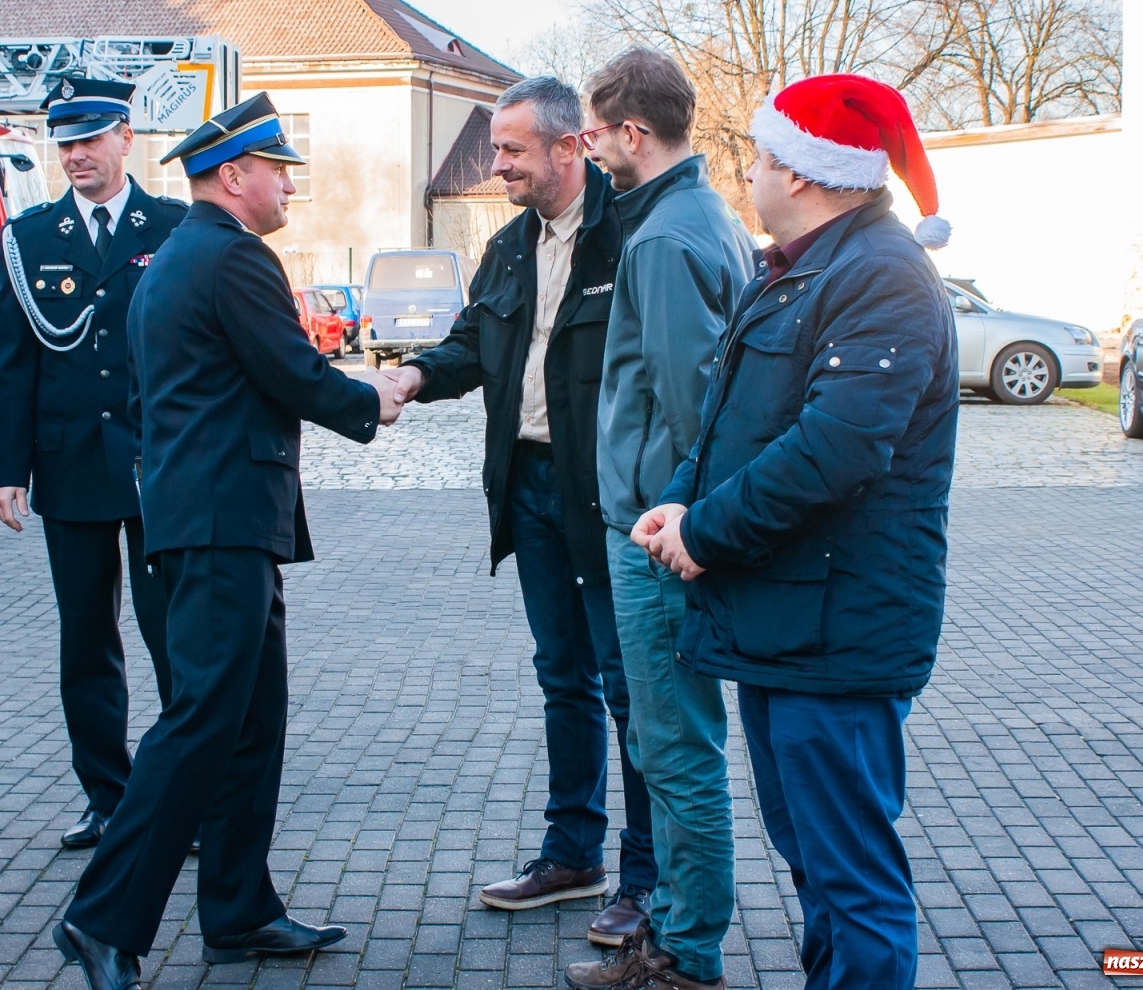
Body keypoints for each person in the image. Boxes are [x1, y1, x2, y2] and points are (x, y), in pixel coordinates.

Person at [52, 92, 403, 990]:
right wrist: (376, 398)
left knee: (250, 721)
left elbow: (152, 400)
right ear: (235, 177)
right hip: (219, 527)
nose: (289, 185)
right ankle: (100, 920)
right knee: (204, 719)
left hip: (216, 523)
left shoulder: (174, 258)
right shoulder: (234, 260)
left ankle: (240, 912)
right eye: (278, 170)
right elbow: (291, 373)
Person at [637, 73, 959, 990]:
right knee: (814, 865)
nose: (751, 174)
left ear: (809, 174)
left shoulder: (883, 277)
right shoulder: (798, 268)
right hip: (786, 625)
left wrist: (707, 534)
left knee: (849, 876)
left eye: (763, 158)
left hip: (839, 634)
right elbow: (734, 418)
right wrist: (680, 498)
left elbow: (835, 448)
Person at [382, 76, 656, 946]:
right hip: (528, 491)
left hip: (609, 498)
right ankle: (572, 854)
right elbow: (475, 342)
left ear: (570, 146)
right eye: (497, 148)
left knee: (630, 688)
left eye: (510, 149)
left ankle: (645, 877)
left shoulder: (634, 236)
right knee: (561, 678)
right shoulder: (509, 246)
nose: (494, 163)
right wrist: (414, 375)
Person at [564, 50, 755, 990]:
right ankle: (680, 936)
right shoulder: (694, 216)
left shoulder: (662, 238)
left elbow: (692, 411)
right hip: (655, 527)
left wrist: (681, 527)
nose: (587, 146)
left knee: (673, 748)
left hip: (653, 536)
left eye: (594, 131)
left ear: (633, 134)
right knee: (671, 742)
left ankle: (686, 953)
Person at [0, 76, 189, 850]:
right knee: (86, 639)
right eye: (64, 143)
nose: (75, 155)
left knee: (169, 630)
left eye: (89, 140)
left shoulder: (170, 226)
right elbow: (12, 362)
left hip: (152, 463)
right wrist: (7, 470)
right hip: (69, 465)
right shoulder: (30, 237)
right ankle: (108, 795)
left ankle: (179, 793)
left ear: (124, 140)